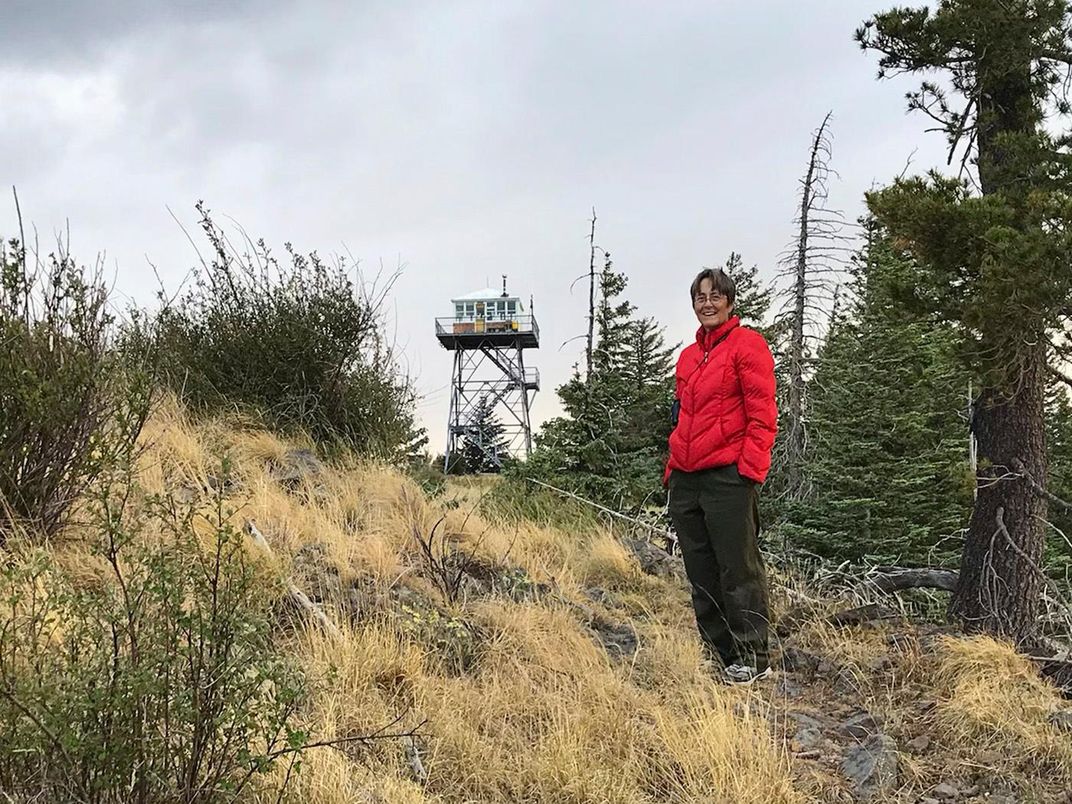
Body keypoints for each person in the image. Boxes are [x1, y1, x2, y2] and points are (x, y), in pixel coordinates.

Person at [665, 267, 777, 685]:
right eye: (700, 297)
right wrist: (672, 467)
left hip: (728, 476)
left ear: (730, 302)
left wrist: (748, 471)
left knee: (738, 568)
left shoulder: (748, 346)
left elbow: (763, 416)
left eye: (715, 296)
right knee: (701, 571)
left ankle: (753, 654)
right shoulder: (689, 356)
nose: (707, 303)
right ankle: (719, 654)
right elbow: (680, 416)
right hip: (686, 478)